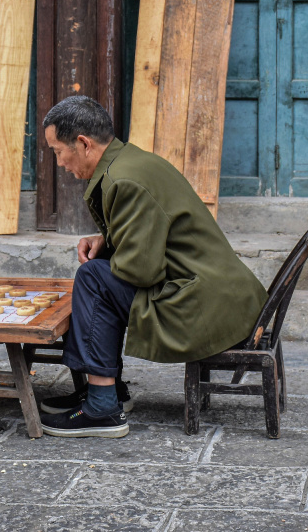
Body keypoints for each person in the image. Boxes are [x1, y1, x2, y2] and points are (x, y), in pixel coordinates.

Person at [37, 96, 267, 438]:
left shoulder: (124, 180)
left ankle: (102, 405)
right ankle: (108, 390)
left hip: (203, 302)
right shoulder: (131, 162)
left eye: (58, 151)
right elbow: (154, 231)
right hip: (220, 293)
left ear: (83, 143)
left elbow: (141, 271)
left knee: (93, 278)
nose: (59, 162)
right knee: (99, 274)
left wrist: (110, 250)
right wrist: (109, 239)